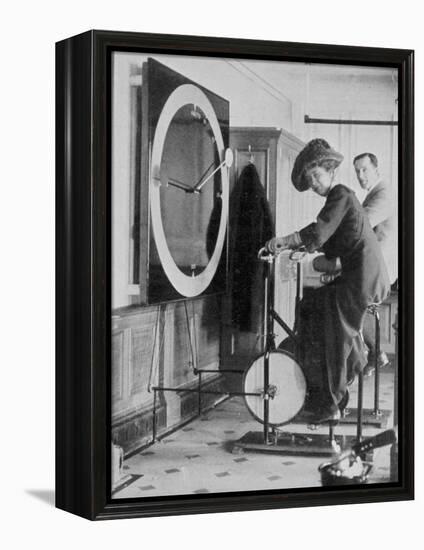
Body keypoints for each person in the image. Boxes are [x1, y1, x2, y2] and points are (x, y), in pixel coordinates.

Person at [265, 139, 390, 424]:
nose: (314, 183)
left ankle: (332, 402)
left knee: (332, 331)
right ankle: (335, 377)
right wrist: (298, 249)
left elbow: (320, 233)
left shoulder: (341, 194)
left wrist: (284, 241)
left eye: (317, 176)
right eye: (309, 181)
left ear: (331, 171)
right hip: (357, 275)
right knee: (309, 304)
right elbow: (330, 241)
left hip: (362, 279)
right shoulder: (340, 199)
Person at [354, 152, 397, 373]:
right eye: (357, 171)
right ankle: (375, 353)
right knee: (359, 308)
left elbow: (360, 226)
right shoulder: (375, 193)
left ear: (376, 170)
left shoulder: (383, 193)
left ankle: (376, 353)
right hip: (376, 265)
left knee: (358, 307)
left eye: (365, 170)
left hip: (380, 267)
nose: (361, 176)